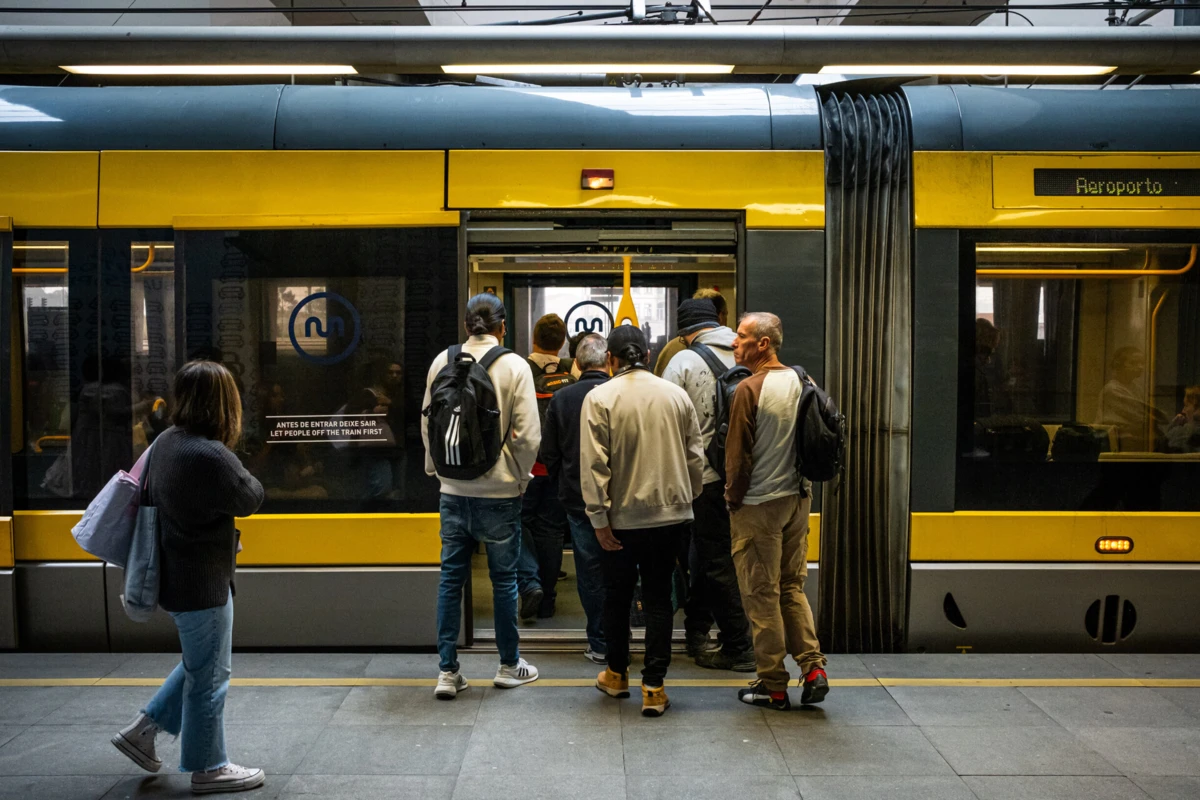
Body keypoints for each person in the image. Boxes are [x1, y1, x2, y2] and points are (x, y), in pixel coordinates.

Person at [111, 360, 267, 793]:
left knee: (202, 662)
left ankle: (142, 731)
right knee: (211, 676)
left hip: (174, 575)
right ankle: (208, 766)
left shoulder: (166, 441)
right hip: (202, 581)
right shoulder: (209, 453)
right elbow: (251, 496)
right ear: (224, 403)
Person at [422, 293, 541, 699]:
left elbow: (427, 423)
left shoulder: (442, 361)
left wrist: (437, 470)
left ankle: (447, 671)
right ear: (502, 326)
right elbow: (528, 435)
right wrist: (518, 477)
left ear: (467, 324)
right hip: (500, 491)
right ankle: (509, 664)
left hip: (452, 490)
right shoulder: (513, 366)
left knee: (450, 580)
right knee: (504, 581)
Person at [582, 326, 704, 717]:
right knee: (658, 599)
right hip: (671, 517)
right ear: (648, 356)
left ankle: (616, 674)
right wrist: (688, 497)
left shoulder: (599, 397)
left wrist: (599, 518)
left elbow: (594, 466)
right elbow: (695, 459)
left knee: (616, 597)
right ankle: (654, 686)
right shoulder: (676, 395)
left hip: (620, 520)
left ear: (611, 360)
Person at [724, 312, 829, 711]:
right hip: (798, 501)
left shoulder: (748, 390)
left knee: (761, 595)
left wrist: (732, 501)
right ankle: (814, 668)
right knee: (791, 587)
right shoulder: (805, 381)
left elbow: (737, 459)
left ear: (763, 344)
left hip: (759, 506)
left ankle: (773, 684)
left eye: (741, 336)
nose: (735, 343)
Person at [662, 298, 755, 672]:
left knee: (716, 561)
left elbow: (666, 423)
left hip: (707, 480)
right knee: (712, 556)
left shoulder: (682, 362)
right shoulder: (749, 353)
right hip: (751, 478)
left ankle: (739, 645)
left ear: (686, 334)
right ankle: (697, 628)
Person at [539, 332, 611, 664]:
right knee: (623, 569)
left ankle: (599, 641)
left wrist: (563, 482)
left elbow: (549, 452)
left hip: (578, 499)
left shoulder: (563, 398)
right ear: (608, 361)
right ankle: (621, 636)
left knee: (590, 570)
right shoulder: (619, 393)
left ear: (578, 364)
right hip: (621, 500)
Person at [518, 313, 574, 619]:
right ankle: (548, 600)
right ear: (563, 343)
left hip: (524, 470)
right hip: (557, 470)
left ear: (533, 339)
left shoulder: (519, 371)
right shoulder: (570, 377)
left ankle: (529, 586)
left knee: (517, 525)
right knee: (551, 532)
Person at [1096, 347, 1166, 452]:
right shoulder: (1112, 389)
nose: (1140, 367)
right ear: (1119, 365)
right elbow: (1139, 415)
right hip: (1116, 442)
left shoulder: (1136, 387)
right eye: (1133, 363)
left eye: (1142, 363)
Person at [653, 288, 728, 377]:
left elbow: (661, 383)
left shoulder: (671, 348)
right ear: (720, 317)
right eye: (726, 314)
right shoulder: (737, 346)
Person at [1166, 385, 1200, 453]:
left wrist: (1174, 426)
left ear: (1197, 410)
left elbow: (1166, 443)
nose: (1183, 411)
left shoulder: (1188, 432)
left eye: (1186, 406)